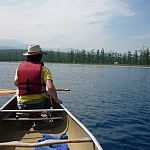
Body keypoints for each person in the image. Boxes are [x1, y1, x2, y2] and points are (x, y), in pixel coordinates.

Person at [14, 44, 62, 109]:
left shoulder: (19, 68)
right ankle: (38, 114)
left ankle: (32, 115)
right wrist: (56, 100)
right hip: (41, 104)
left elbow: (16, 84)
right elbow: (50, 88)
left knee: (18, 89)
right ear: (40, 56)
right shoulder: (44, 69)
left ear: (27, 56)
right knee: (50, 94)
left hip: (23, 105)